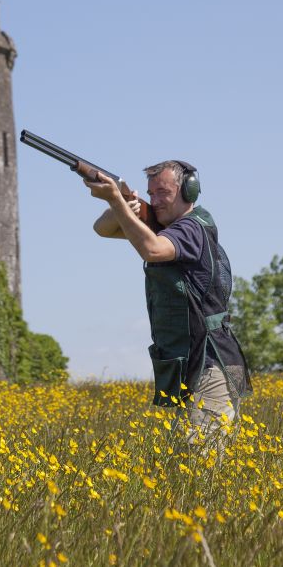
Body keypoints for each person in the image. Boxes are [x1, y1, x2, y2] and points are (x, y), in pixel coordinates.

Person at [87, 160, 251, 444]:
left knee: (198, 462)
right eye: (151, 194)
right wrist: (125, 203)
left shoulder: (190, 228)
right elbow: (102, 228)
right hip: (193, 364)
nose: (155, 200)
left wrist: (116, 199)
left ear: (188, 190)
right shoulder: (169, 227)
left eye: (163, 192)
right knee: (190, 465)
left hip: (210, 363)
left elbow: (151, 249)